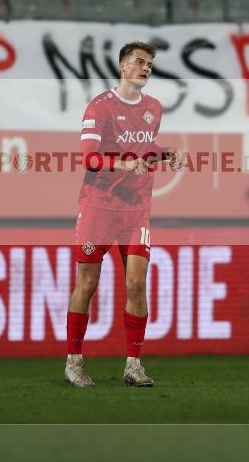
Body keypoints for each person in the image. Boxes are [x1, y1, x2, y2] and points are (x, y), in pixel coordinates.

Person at [64, 41, 185, 388]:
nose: (145, 68)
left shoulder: (154, 108)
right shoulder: (99, 107)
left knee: (136, 283)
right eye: (139, 62)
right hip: (98, 209)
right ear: (122, 66)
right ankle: (74, 361)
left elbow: (144, 150)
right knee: (87, 284)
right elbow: (88, 157)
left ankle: (133, 364)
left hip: (136, 211)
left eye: (149, 64)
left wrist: (164, 153)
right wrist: (121, 163)